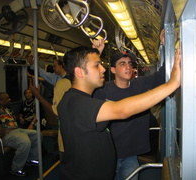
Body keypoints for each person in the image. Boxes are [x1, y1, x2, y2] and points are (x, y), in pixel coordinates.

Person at [57, 46, 181, 179]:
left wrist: (95, 53)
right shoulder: (76, 103)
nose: (103, 69)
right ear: (80, 72)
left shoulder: (80, 99)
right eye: (97, 65)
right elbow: (121, 110)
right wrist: (173, 83)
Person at [29, 39, 105, 178]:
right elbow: (45, 76)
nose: (54, 68)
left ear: (64, 67)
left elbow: (55, 111)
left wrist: (38, 96)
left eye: (55, 66)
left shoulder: (63, 84)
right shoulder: (65, 81)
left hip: (68, 141)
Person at [93, 51, 165, 180]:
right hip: (108, 153)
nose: (128, 67)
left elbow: (162, 75)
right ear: (113, 70)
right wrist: (96, 52)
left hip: (131, 153)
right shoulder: (102, 91)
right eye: (122, 64)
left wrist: (166, 47)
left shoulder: (140, 85)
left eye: (129, 64)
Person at [0, 92, 39, 177]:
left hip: (17, 130)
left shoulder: (8, 109)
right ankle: (16, 168)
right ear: (1, 101)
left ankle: (31, 159)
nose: (9, 100)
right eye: (7, 99)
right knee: (25, 142)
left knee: (37, 135)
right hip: (7, 134)